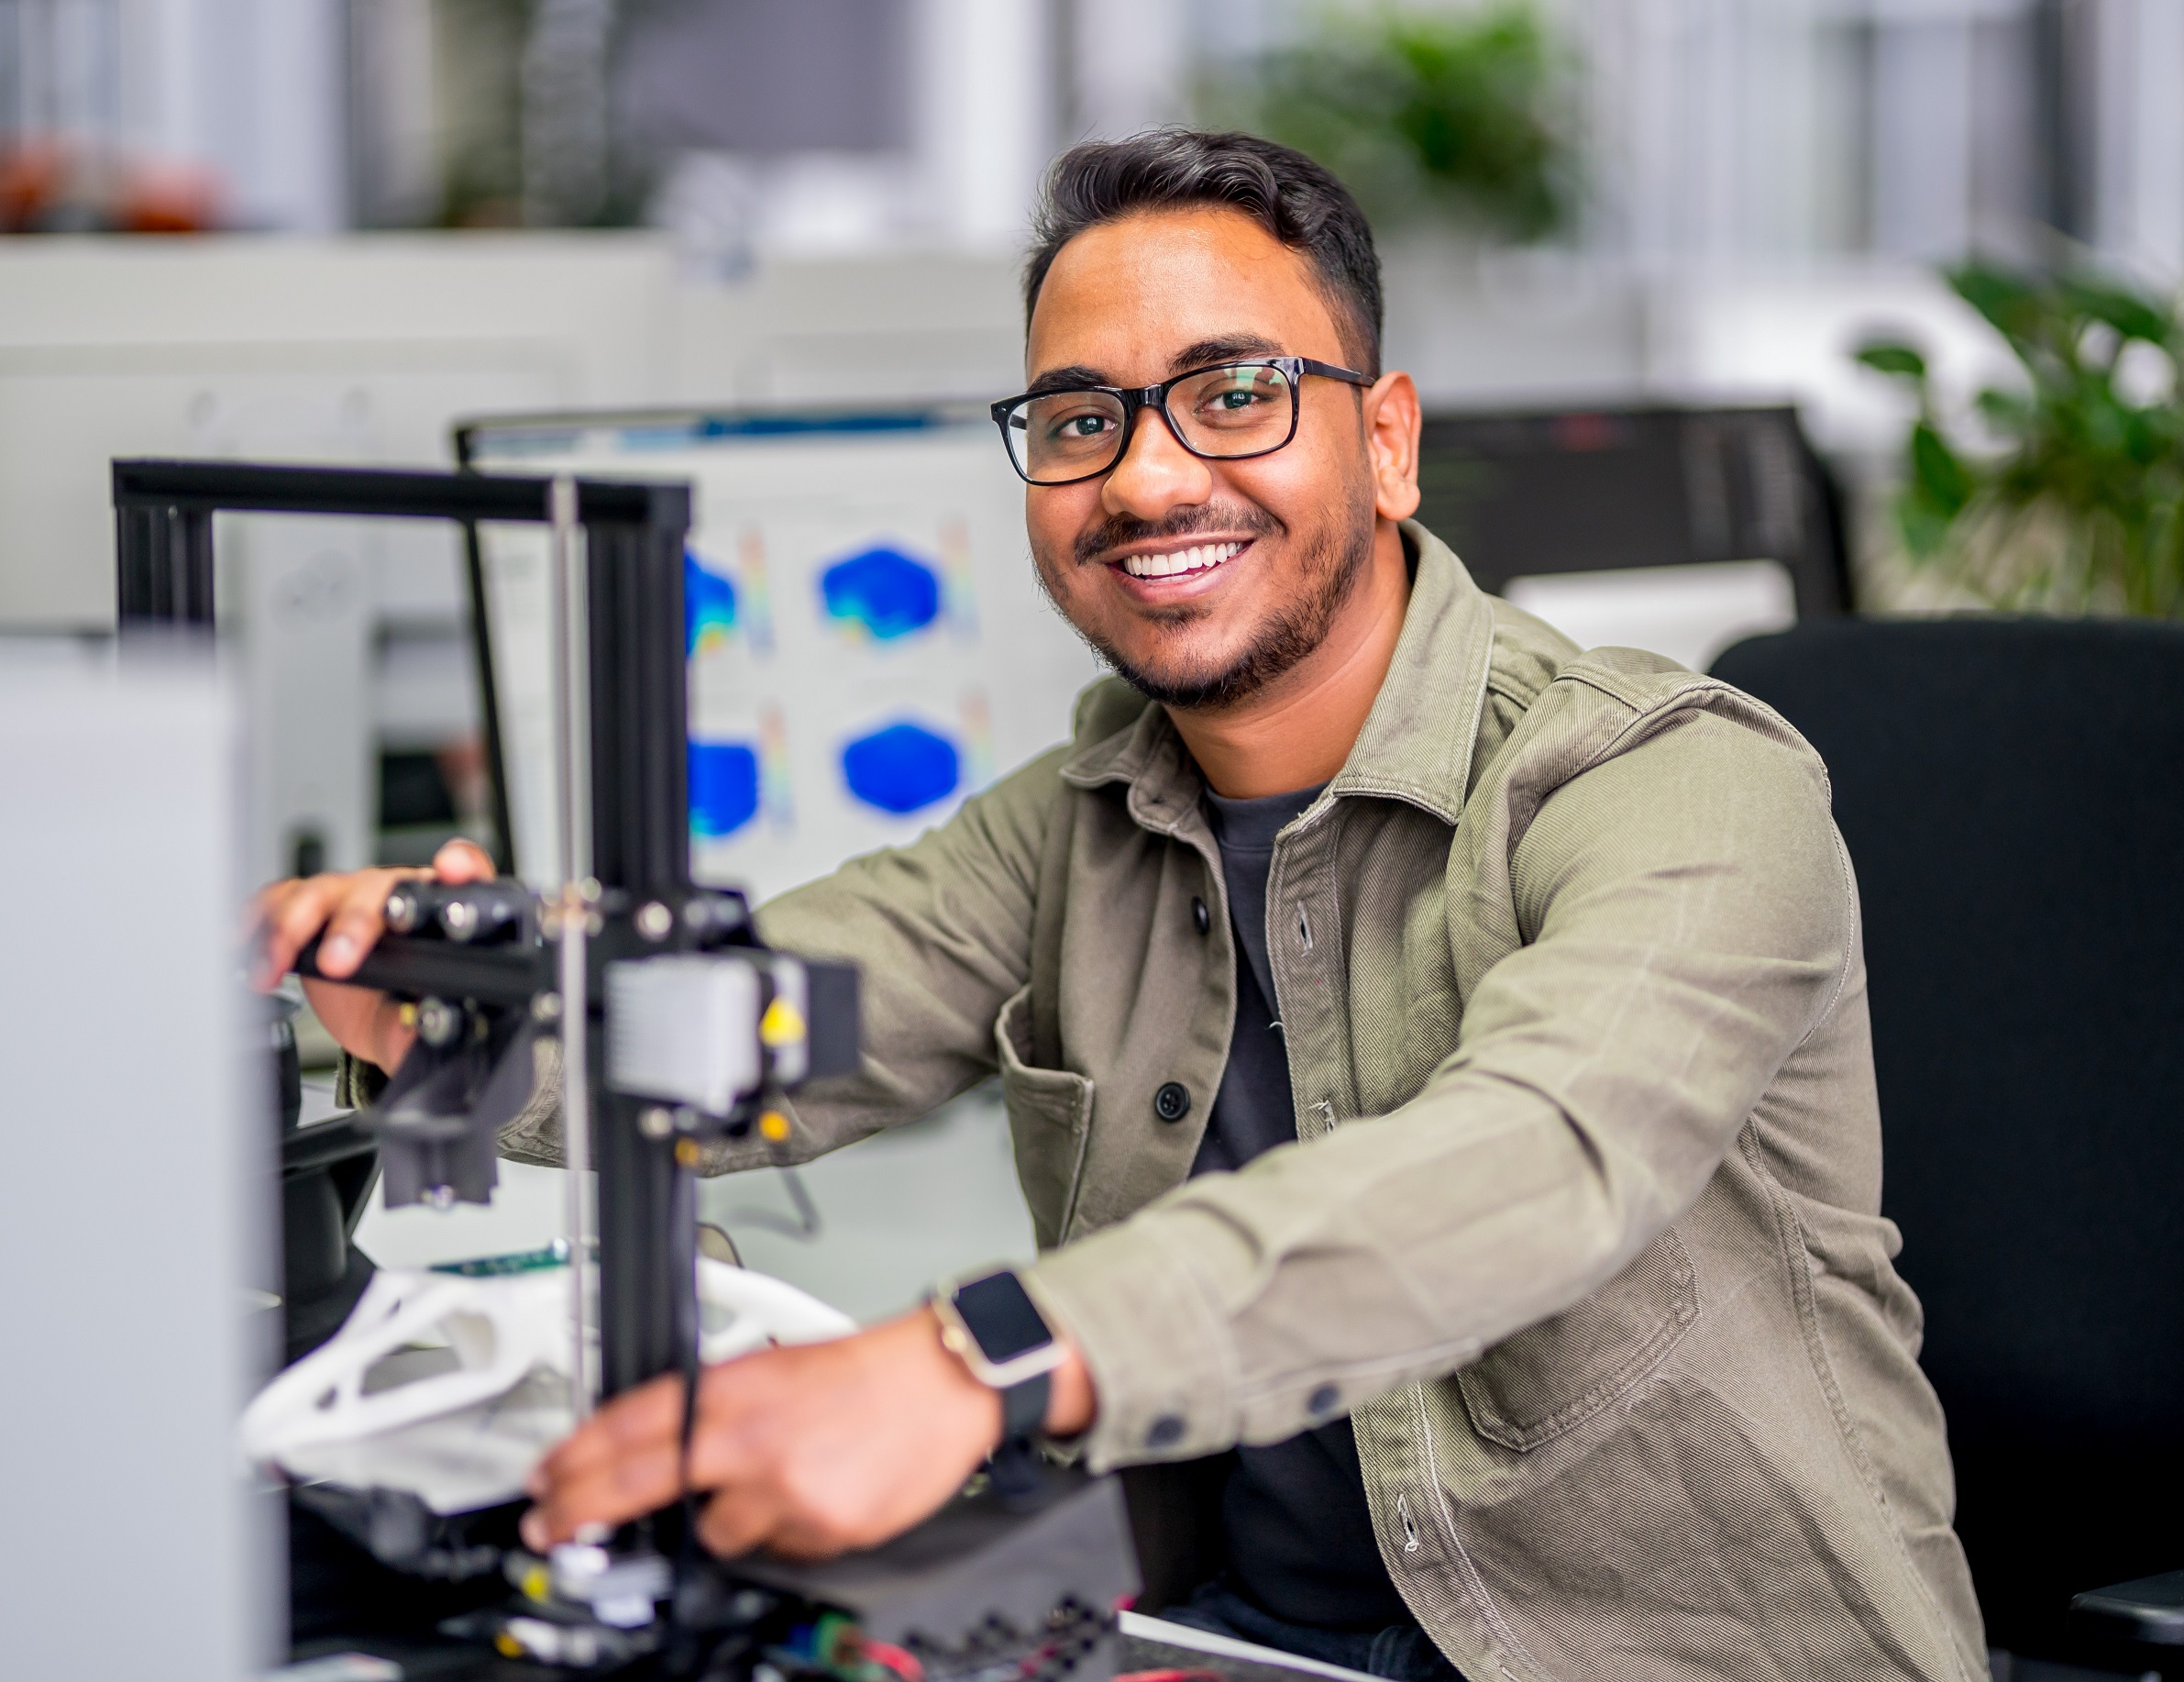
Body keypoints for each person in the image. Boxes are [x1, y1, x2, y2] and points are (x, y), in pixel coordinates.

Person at [257, 130, 1987, 1682]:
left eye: (1232, 391)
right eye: (1082, 418)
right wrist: (456, 1004)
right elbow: (758, 1006)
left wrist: (972, 1361)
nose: (1149, 480)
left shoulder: (1673, 779)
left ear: (1384, 444)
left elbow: (1531, 1158)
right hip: (1228, 1641)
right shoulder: (1085, 817)